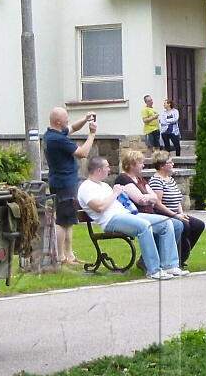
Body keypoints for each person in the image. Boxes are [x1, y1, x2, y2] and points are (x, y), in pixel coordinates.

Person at [79, 156, 180, 280]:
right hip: (111, 220)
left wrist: (122, 195)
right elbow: (100, 207)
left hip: (126, 214)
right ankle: (153, 270)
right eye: (107, 167)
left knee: (165, 223)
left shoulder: (104, 185)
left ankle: (170, 265)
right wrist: (115, 193)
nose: (109, 169)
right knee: (144, 226)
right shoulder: (86, 187)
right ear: (99, 170)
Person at [118, 150, 190, 275]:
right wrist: (148, 198)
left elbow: (154, 198)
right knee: (172, 224)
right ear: (132, 165)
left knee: (178, 225)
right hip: (136, 216)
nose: (143, 165)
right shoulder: (123, 179)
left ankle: (167, 262)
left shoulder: (140, 179)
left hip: (150, 214)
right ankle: (151, 261)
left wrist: (148, 198)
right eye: (140, 163)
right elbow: (140, 200)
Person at [42, 107, 97, 267]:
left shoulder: (52, 135)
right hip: (63, 183)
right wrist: (92, 134)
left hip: (66, 182)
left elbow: (72, 128)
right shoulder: (57, 140)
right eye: (66, 117)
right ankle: (60, 256)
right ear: (58, 120)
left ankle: (70, 254)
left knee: (69, 219)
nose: (68, 119)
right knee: (62, 220)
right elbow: (83, 153)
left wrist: (85, 120)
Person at [147, 153, 206, 265]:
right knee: (184, 226)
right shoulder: (156, 181)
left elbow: (177, 198)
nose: (173, 164)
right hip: (164, 214)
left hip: (176, 213)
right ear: (162, 166)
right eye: (170, 162)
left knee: (198, 225)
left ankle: (181, 256)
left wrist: (181, 213)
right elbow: (157, 204)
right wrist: (175, 216)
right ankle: (174, 257)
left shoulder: (170, 179)